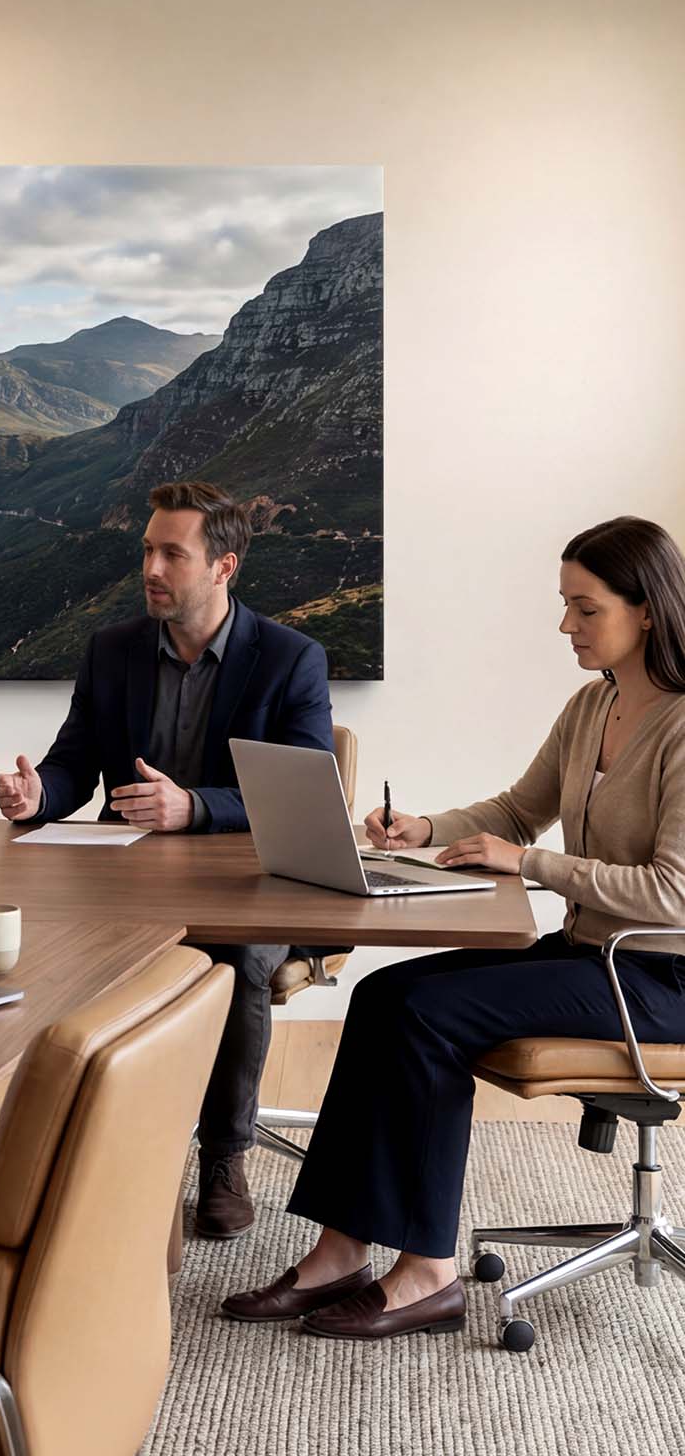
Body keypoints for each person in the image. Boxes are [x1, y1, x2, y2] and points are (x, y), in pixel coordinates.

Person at [224, 515, 685, 1341]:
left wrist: (529, 865)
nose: (565, 627)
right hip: (592, 954)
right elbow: (518, 810)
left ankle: (429, 1271)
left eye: (585, 609)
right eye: (565, 606)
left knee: (429, 1014)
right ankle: (341, 1249)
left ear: (646, 609)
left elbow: (673, 893)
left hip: (661, 979)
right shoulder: (593, 706)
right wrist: (425, 829)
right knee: (387, 993)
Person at [0, 480, 334, 1238]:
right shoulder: (111, 651)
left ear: (223, 567)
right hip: (128, 884)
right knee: (44, 948)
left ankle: (224, 1156)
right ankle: (86, 1149)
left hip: (249, 887)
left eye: (171, 554)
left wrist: (197, 806)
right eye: (148, 550)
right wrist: (33, 795)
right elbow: (73, 765)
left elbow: (308, 797)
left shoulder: (290, 659)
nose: (150, 567)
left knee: (238, 962)